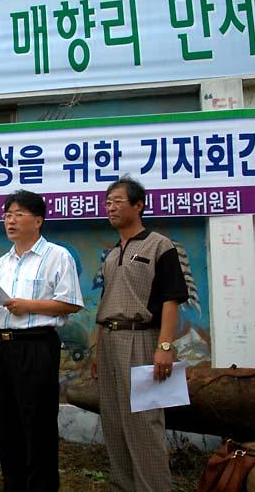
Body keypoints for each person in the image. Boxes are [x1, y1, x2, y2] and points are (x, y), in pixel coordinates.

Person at [0, 190, 84, 492]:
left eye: (18, 214)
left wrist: (28, 305)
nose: (10, 220)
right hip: (2, 346)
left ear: (38, 220)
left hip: (36, 346)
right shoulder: (2, 263)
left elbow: (70, 303)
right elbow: (3, 310)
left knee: (38, 424)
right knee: (7, 424)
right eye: (6, 215)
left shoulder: (57, 256)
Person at [92, 177, 188, 492]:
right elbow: (105, 302)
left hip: (142, 339)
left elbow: (171, 299)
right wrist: (96, 351)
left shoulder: (160, 245)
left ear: (138, 205)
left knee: (144, 424)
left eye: (118, 200)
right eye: (108, 202)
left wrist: (164, 345)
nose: (111, 206)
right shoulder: (109, 255)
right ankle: (122, 485)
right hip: (109, 340)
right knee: (114, 422)